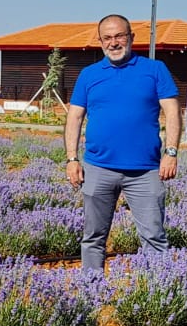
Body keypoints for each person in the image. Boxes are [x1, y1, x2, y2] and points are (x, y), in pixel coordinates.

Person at [63, 14, 180, 275]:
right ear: (100, 41)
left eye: (119, 36)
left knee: (154, 236)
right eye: (107, 37)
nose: (114, 42)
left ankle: (157, 293)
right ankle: (92, 291)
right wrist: (72, 159)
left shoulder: (155, 69)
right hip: (98, 168)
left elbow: (172, 112)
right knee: (93, 237)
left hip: (146, 170)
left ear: (131, 38)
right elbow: (74, 117)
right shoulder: (89, 75)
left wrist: (171, 153)